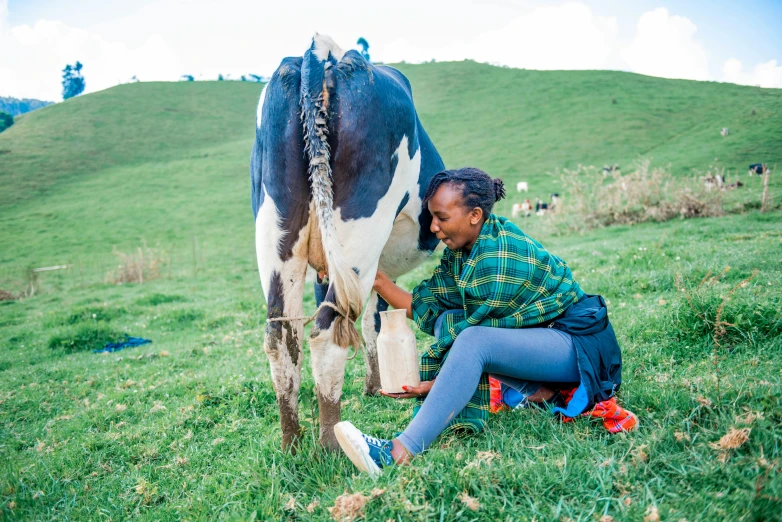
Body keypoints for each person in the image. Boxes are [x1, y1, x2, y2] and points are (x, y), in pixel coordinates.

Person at [334, 167, 637, 476]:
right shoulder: (466, 250)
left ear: (475, 215)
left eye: (442, 218)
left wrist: (430, 387)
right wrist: (378, 281)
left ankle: (398, 452)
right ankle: (543, 393)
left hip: (579, 347)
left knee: (472, 339)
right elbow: (430, 305)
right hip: (548, 340)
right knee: (448, 320)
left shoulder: (491, 259)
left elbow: (472, 347)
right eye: (432, 218)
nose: (434, 228)